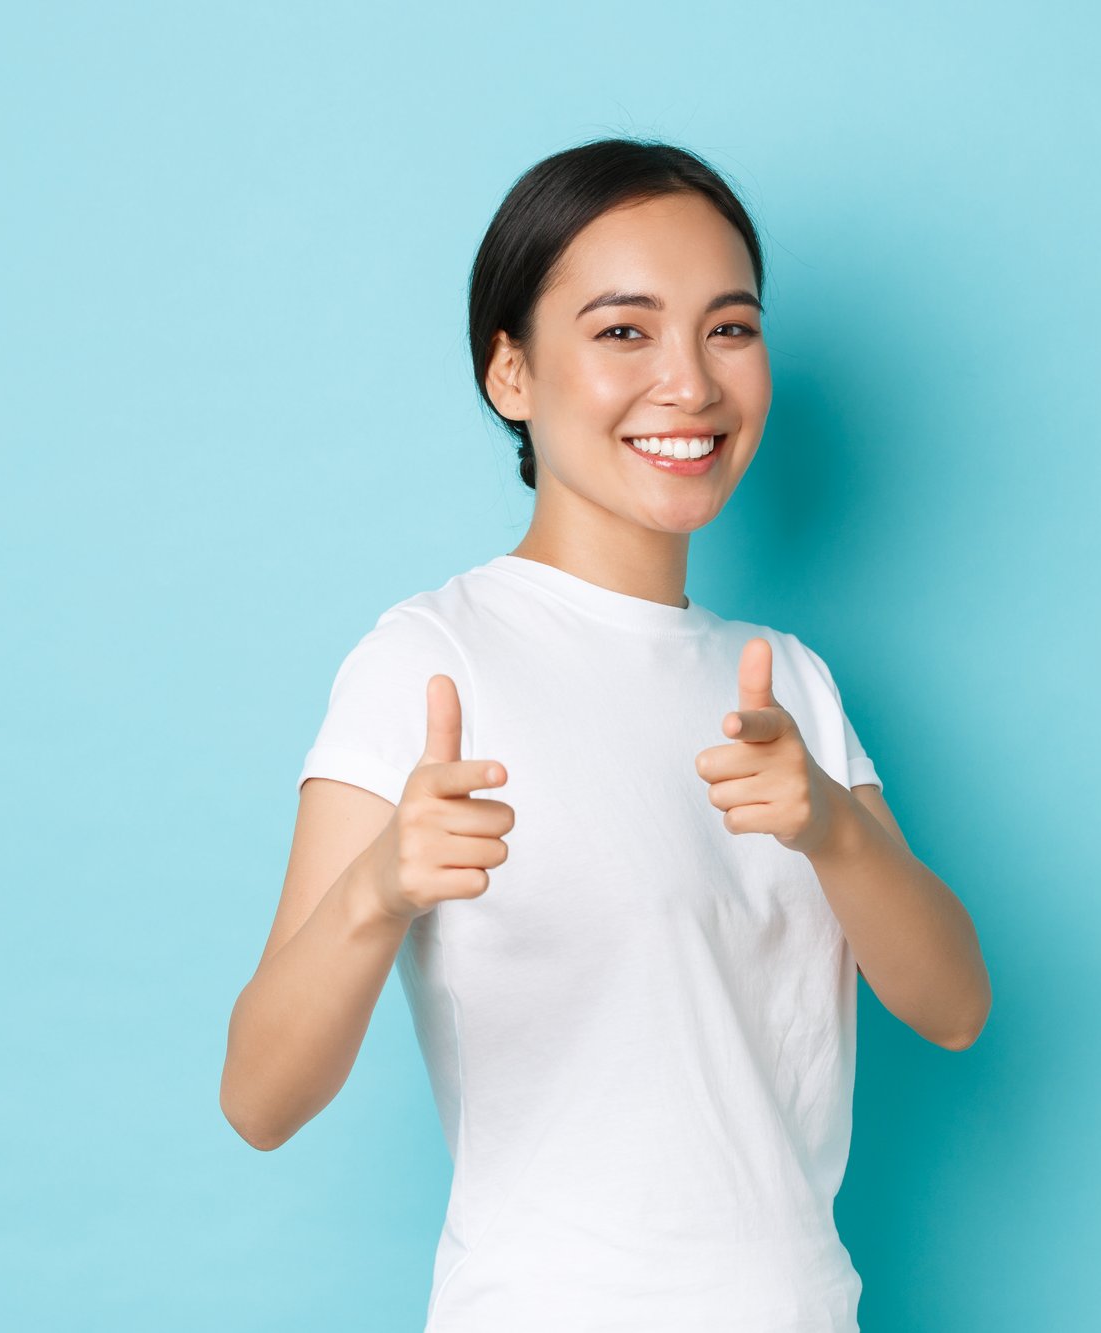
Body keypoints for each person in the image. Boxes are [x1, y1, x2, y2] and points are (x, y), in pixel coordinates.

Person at [220, 137, 992, 1332]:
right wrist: (378, 890)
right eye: (623, 330)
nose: (688, 383)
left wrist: (828, 826)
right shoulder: (432, 660)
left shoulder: (786, 681)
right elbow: (259, 1097)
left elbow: (952, 1006)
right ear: (510, 374)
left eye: (727, 328)